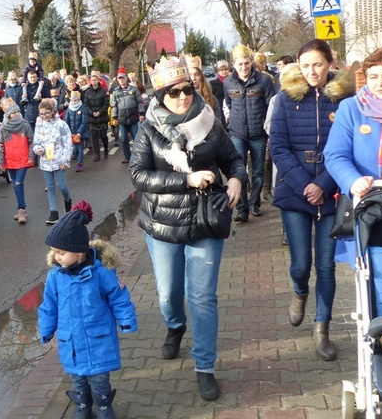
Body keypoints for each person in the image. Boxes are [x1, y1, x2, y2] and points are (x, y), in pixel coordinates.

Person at [129, 56, 246, 401]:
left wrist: (237, 178)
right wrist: (186, 179)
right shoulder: (149, 129)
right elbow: (138, 175)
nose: (182, 97)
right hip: (162, 225)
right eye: (173, 92)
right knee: (168, 294)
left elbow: (232, 158)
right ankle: (175, 326)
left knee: (203, 296)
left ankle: (205, 365)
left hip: (205, 219)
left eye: (186, 90)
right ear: (160, 94)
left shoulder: (209, 122)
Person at [269, 39, 354, 361]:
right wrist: (306, 184)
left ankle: (323, 328)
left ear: (330, 63)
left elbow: (348, 149)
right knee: (301, 264)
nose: (311, 72)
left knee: (327, 267)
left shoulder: (346, 100)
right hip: (295, 191)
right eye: (305, 65)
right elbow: (277, 147)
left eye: (317, 64)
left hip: (332, 192)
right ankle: (299, 290)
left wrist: (323, 183)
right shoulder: (285, 98)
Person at [38, 201, 137, 419]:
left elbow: (117, 297)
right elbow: (49, 306)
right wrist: (46, 329)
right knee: (77, 376)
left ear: (79, 252)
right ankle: (82, 404)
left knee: (99, 376)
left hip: (97, 338)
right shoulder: (55, 276)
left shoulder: (100, 272)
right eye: (54, 252)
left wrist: (126, 319)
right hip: (70, 339)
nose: (57, 257)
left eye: (61, 252)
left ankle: (102, 404)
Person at [325, 47, 382, 318]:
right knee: (381, 281)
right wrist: (353, 180)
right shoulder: (351, 109)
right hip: (371, 210)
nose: (380, 82)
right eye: (373, 76)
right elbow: (335, 155)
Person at [223, 44, 276, 222]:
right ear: (234, 64)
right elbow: (229, 105)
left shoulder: (264, 81)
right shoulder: (228, 83)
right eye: (240, 64)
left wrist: (267, 128)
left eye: (246, 63)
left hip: (258, 133)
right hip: (237, 132)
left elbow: (270, 106)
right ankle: (242, 208)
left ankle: (254, 203)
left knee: (258, 172)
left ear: (251, 62)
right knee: (239, 172)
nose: (244, 67)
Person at [33, 100, 73, 225]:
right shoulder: (39, 126)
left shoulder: (61, 125)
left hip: (59, 160)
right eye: (41, 114)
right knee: (50, 188)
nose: (44, 116)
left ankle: (68, 201)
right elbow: (36, 142)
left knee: (62, 186)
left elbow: (68, 143)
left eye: (46, 113)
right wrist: (38, 149)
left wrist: (65, 160)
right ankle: (53, 213)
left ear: (52, 112)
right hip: (46, 160)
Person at [0, 102, 35, 224]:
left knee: (18, 183)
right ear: (8, 115)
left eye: (17, 111)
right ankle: (21, 208)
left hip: (23, 160)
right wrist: (1, 160)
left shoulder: (25, 125)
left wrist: (31, 157)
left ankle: (21, 210)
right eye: (13, 112)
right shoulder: (3, 128)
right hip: (10, 161)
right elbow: (1, 145)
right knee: (15, 184)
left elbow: (31, 142)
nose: (16, 114)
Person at [110, 69, 145, 164]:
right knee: (124, 139)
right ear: (117, 80)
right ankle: (127, 157)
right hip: (122, 118)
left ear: (126, 78)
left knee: (136, 138)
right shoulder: (116, 92)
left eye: (123, 78)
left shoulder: (133, 89)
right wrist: (114, 117)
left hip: (133, 117)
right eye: (119, 78)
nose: (121, 80)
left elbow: (139, 102)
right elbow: (114, 106)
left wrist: (141, 114)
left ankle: (139, 156)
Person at [83, 73, 110, 161]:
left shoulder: (103, 91)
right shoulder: (87, 92)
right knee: (94, 136)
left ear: (98, 81)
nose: (93, 82)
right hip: (92, 117)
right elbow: (86, 104)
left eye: (95, 80)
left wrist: (100, 112)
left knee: (103, 136)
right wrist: (91, 112)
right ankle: (97, 154)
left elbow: (106, 104)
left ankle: (106, 149)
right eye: (92, 80)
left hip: (102, 117)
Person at [64, 90, 88, 172]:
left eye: (76, 100)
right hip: (71, 133)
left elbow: (84, 121)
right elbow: (66, 121)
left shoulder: (82, 108)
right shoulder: (69, 109)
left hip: (79, 133)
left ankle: (80, 163)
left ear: (78, 100)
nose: (74, 102)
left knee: (80, 148)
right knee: (74, 149)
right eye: (73, 100)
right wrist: (68, 132)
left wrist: (80, 132)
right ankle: (78, 157)